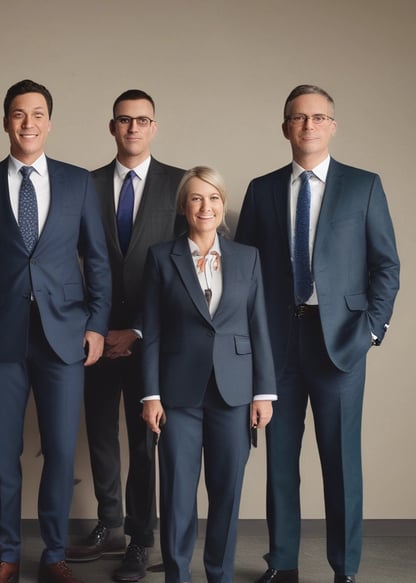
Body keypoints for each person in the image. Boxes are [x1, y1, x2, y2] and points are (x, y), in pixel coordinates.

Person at [235, 85, 400, 583]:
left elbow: (386, 266)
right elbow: (244, 272)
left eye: (318, 117)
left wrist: (371, 331)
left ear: (332, 125)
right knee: (280, 461)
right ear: (285, 126)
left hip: (342, 344)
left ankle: (344, 569)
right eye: (298, 118)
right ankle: (282, 562)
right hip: (277, 344)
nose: (308, 125)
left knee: (342, 463)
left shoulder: (363, 186)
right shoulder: (262, 190)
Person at [0, 79, 111, 583]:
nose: (28, 123)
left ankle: (54, 554)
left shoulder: (78, 182)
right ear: (6, 121)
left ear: (50, 122)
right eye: (19, 114)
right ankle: (6, 554)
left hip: (64, 337)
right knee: (3, 451)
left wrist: (96, 324)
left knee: (62, 452)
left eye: (38, 114)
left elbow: (98, 260)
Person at [66, 89, 185, 582]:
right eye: (123, 120)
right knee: (97, 432)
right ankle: (108, 523)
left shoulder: (179, 184)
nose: (133, 128)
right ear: (111, 127)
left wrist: (136, 330)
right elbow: (65, 262)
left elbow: (187, 266)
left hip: (151, 337)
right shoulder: (83, 185)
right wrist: (95, 327)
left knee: (142, 439)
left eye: (142, 120)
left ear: (154, 126)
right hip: (93, 334)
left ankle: (140, 536)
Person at [141, 166, 276, 583]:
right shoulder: (161, 257)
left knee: (227, 494)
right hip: (178, 396)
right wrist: (151, 395)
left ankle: (220, 575)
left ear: (223, 204)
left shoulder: (247, 257)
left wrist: (264, 392)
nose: (206, 206)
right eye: (197, 198)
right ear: (184, 206)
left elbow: (259, 327)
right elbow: (152, 332)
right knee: (178, 496)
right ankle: (177, 576)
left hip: (234, 394)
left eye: (214, 197)